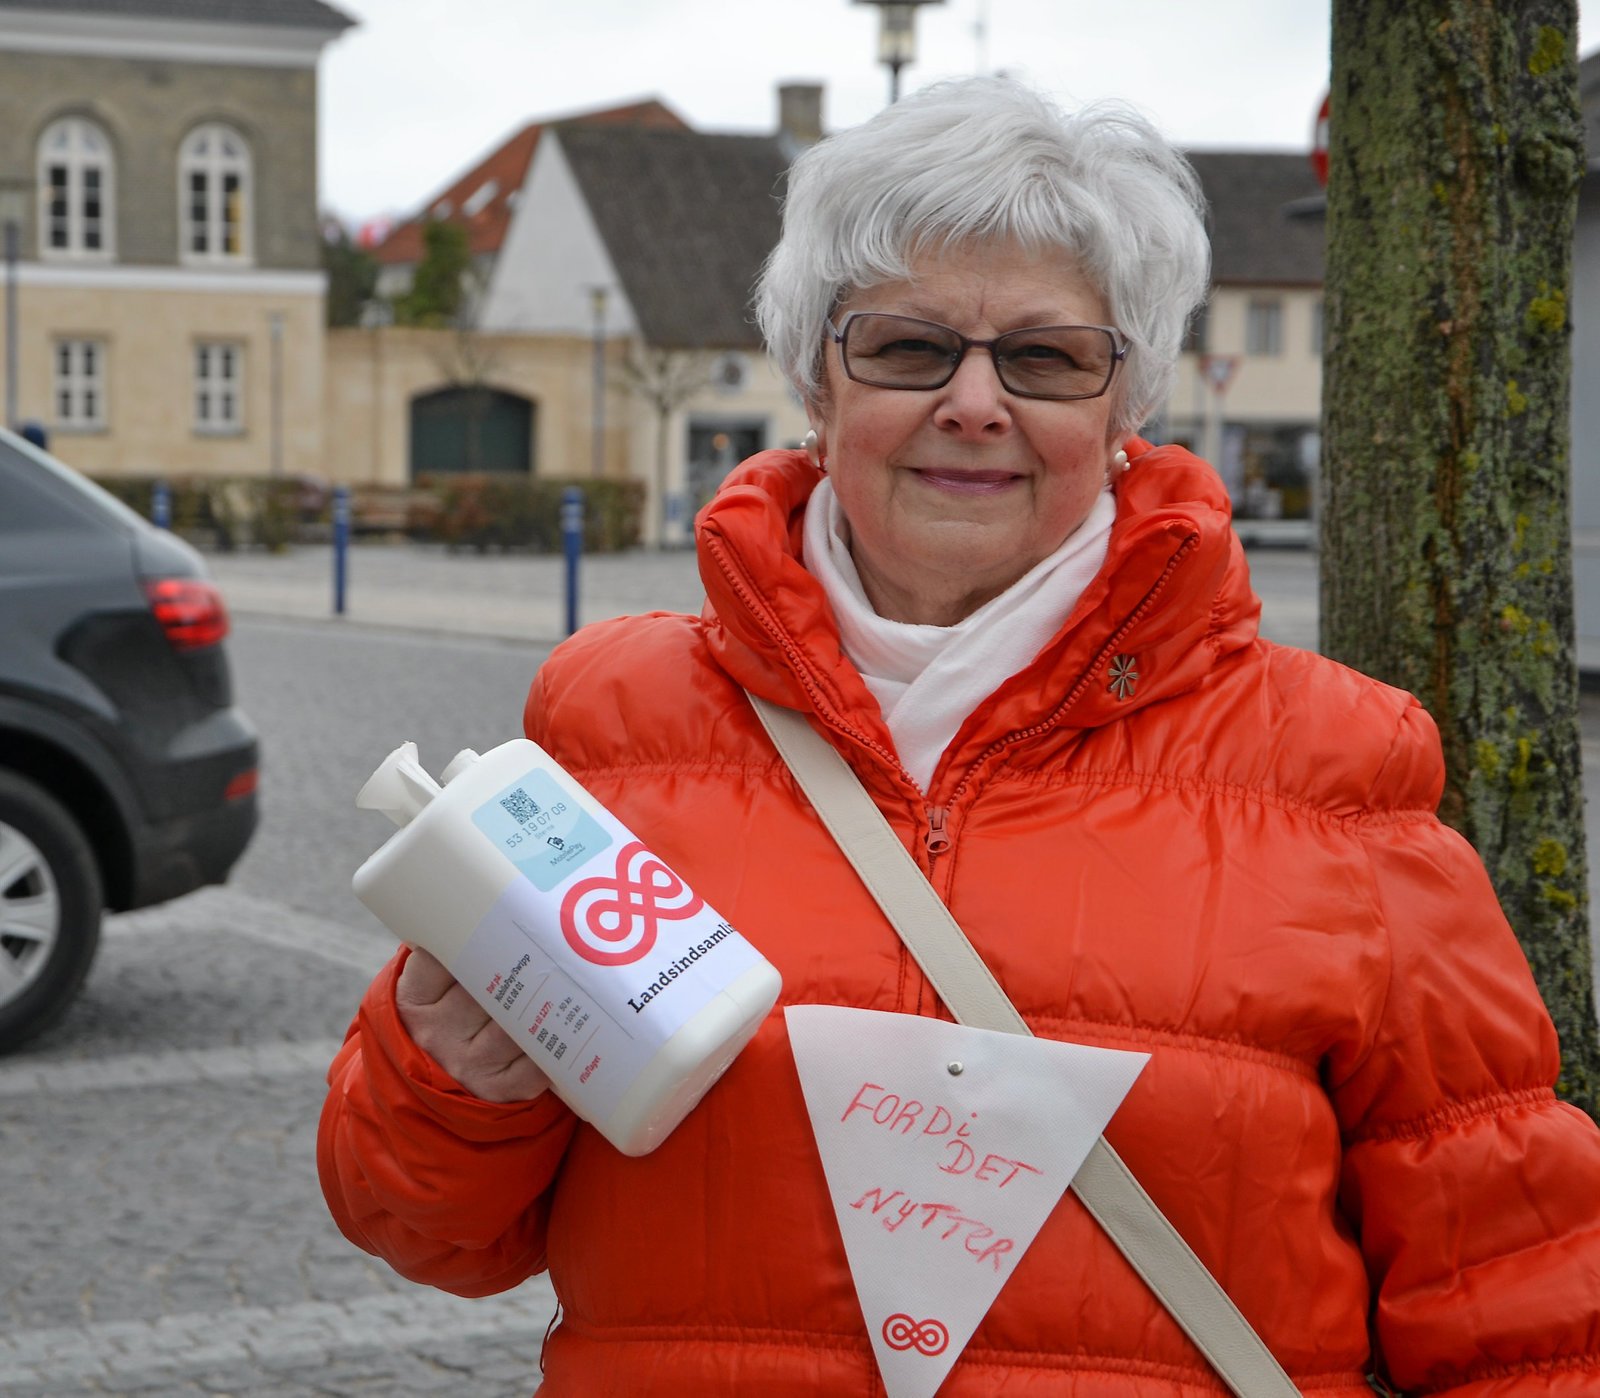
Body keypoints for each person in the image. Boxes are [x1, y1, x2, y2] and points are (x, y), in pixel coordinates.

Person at [319, 77, 1600, 1395]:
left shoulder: (1336, 770)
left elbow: (1527, 1301)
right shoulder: (611, 727)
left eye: (1045, 357)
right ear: (818, 382)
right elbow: (423, 1224)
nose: (976, 402)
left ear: (1123, 408)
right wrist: (447, 1074)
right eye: (908, 346)